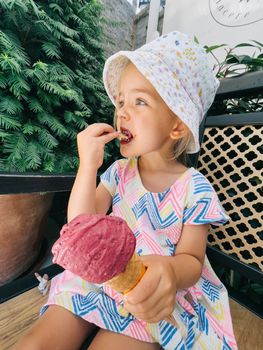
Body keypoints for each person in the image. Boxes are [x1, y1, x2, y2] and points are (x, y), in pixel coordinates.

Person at [13, 31, 237, 350]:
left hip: (151, 294)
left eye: (139, 101)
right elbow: (82, 227)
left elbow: (191, 259)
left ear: (177, 125)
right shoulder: (119, 173)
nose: (122, 112)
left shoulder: (195, 188)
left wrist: (170, 271)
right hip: (96, 281)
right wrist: (87, 165)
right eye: (120, 101)